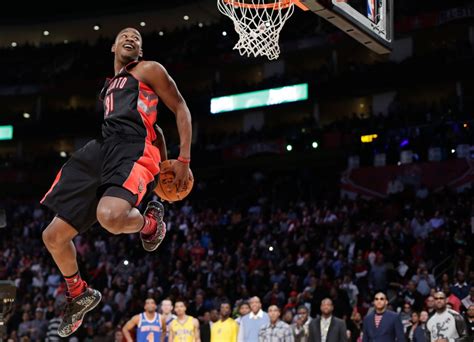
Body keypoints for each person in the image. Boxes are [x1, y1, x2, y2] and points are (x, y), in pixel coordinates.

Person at [40, 27, 192, 337]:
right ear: (112, 47)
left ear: (140, 49)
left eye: (137, 37)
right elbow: (159, 131)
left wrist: (182, 160)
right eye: (124, 35)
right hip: (102, 149)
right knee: (53, 236)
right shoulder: (110, 86)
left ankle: (151, 223)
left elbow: (180, 108)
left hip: (132, 146)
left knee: (109, 216)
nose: (131, 38)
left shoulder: (149, 69)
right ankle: (78, 292)